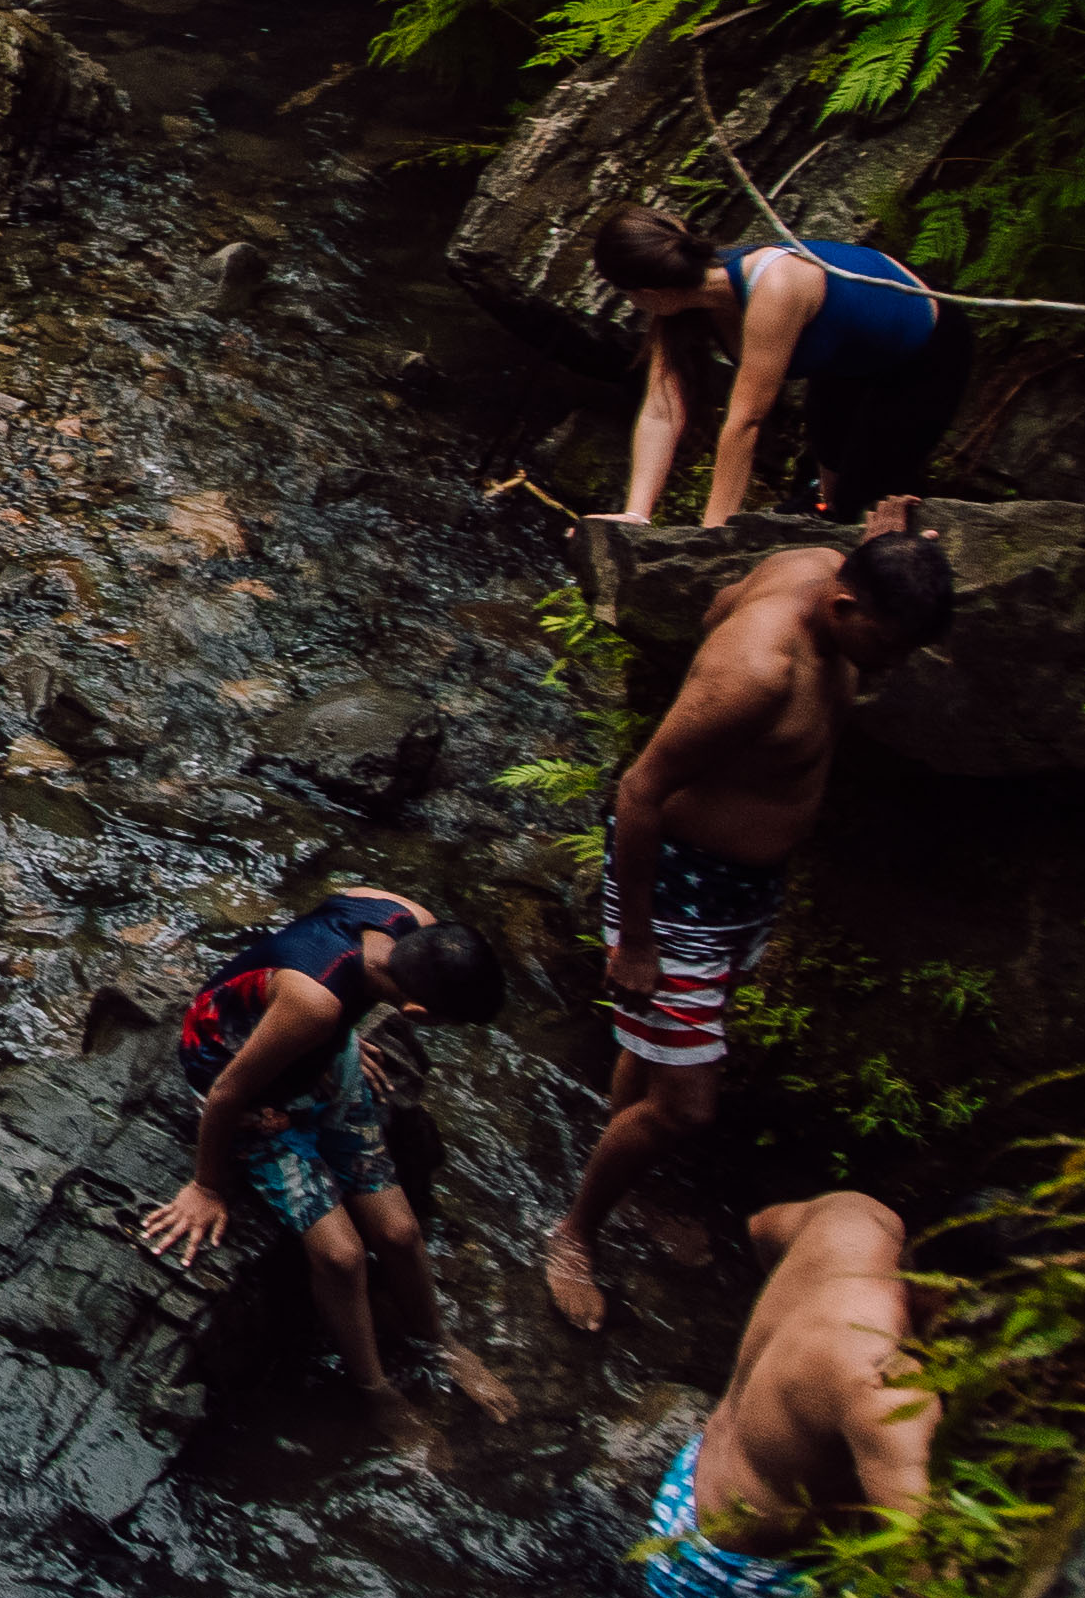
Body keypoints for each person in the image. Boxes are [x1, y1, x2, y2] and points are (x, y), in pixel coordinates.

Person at [552, 527, 953, 1329]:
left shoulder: (816, 563)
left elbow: (717, 603)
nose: (896, 667)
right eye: (893, 647)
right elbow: (639, 791)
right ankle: (573, 1235)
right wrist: (636, 940)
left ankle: (620, 1176)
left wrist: (894, 531)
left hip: (743, 889)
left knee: (656, 1056)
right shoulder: (757, 672)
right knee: (687, 1107)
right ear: (846, 608)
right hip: (681, 895)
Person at [564, 1193, 934, 1598]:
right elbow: (924, 1577)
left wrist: (786, 1357)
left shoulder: (856, 1220)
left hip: (695, 1479)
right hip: (738, 1573)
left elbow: (760, 1227)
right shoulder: (890, 1390)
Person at [138, 889, 519, 1445]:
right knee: (341, 1256)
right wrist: (206, 1185)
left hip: (316, 1047)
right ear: (416, 1014)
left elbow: (318, 933)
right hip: (241, 1076)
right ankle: (375, 1391)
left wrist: (339, 1035)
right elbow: (226, 1093)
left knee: (400, 1230)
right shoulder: (314, 1007)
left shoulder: (406, 917)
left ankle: (440, 1342)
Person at [599, 206, 976, 524]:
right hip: (847, 357)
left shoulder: (773, 286)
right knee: (829, 457)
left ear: (647, 293)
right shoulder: (682, 307)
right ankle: (825, 506)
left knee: (866, 494)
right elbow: (661, 410)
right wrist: (636, 515)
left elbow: (746, 421)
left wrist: (711, 534)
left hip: (926, 349)